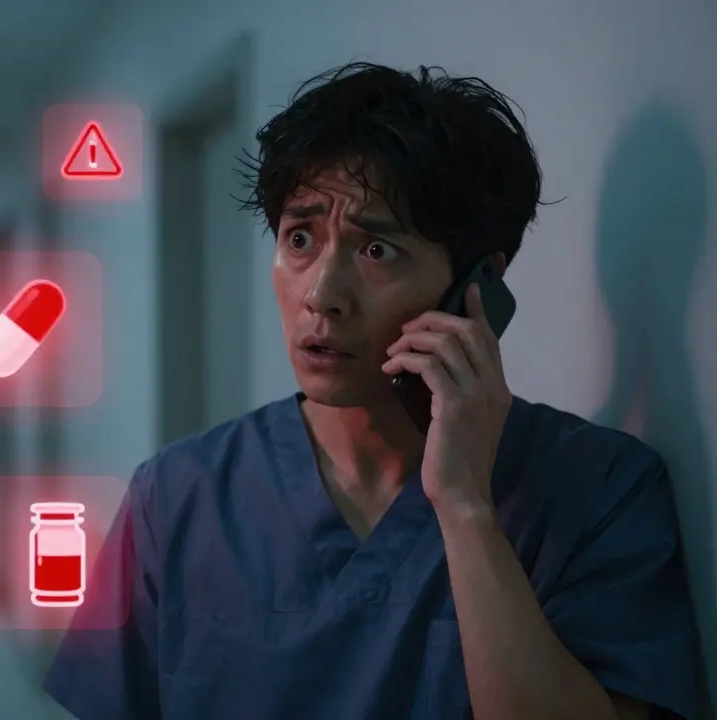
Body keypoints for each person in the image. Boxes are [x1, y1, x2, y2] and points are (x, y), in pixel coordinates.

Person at [42, 62, 705, 719]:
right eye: (300, 238)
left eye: (376, 251)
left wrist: (466, 506)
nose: (321, 295)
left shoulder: (600, 491)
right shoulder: (177, 497)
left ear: (476, 287)